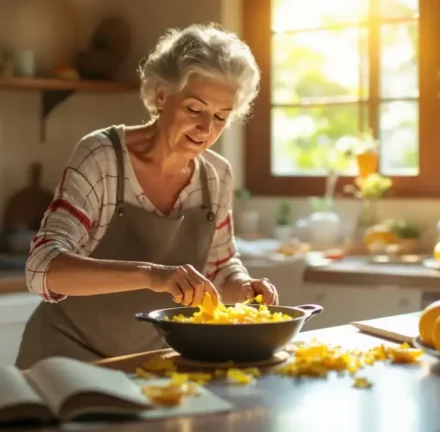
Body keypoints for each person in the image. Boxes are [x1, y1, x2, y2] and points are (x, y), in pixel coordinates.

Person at [15, 23, 278, 368]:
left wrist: (244, 289)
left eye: (220, 117)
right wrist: (152, 275)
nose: (206, 129)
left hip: (154, 363)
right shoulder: (102, 157)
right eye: (195, 110)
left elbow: (220, 267)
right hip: (65, 361)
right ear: (161, 96)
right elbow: (41, 269)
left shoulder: (217, 175)